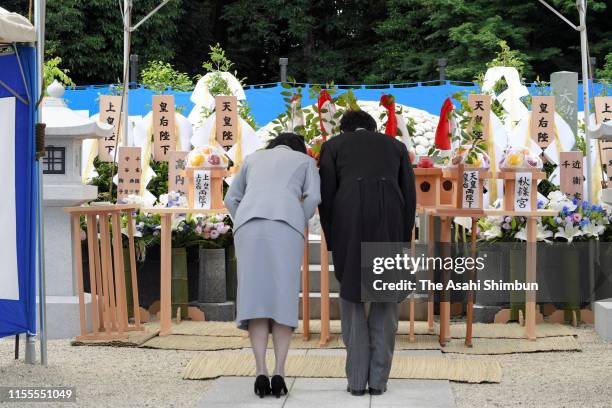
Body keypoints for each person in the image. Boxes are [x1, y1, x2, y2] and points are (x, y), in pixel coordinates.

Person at [318, 110, 416, 396]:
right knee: (385, 299)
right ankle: (379, 381)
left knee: (352, 298)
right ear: (373, 128)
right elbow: (409, 195)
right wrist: (403, 238)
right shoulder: (396, 146)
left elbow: (326, 194)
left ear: (345, 129)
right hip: (390, 219)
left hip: (348, 219)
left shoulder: (333, 146)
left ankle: (356, 382)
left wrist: (333, 238)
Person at [224, 132, 321, 398]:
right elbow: (312, 199)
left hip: (248, 227)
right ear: (299, 147)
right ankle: (279, 372)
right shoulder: (304, 161)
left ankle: (260, 372)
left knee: (254, 298)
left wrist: (243, 218)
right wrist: (295, 218)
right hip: (285, 226)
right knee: (282, 296)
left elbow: (231, 199)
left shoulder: (252, 159)